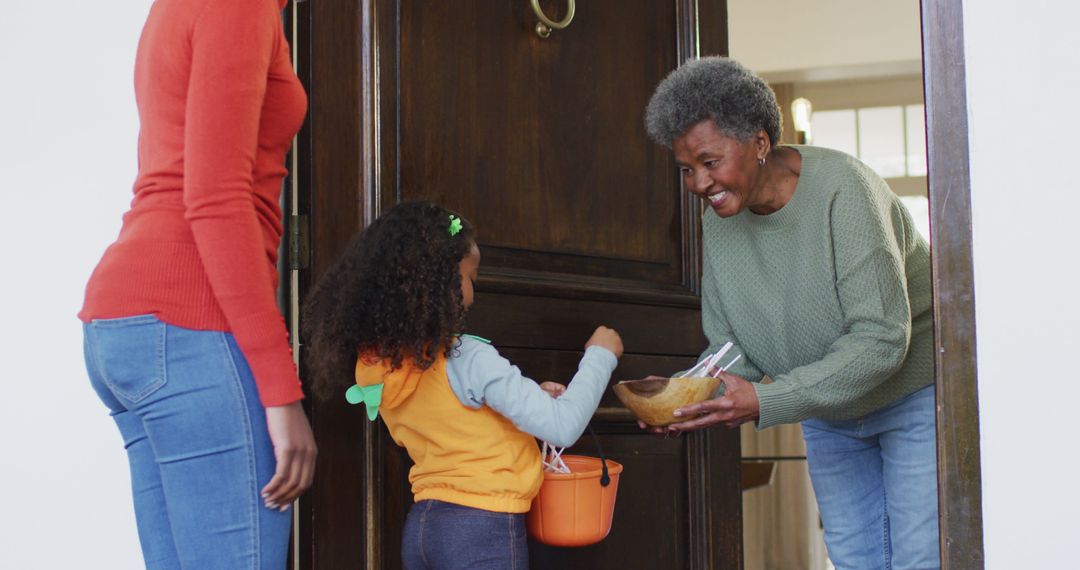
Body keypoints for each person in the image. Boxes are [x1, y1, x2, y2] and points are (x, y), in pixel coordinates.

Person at [642, 56, 938, 570]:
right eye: (687, 169)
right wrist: (686, 393)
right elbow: (731, 344)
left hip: (911, 398)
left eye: (711, 162)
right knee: (855, 560)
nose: (699, 183)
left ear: (760, 143)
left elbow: (881, 340)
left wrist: (767, 399)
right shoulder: (721, 219)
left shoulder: (845, 191)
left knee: (920, 558)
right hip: (827, 410)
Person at [79, 0, 316, 567]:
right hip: (187, 320)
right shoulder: (239, 6)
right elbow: (215, 200)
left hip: (128, 324)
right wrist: (281, 393)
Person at [301, 201, 622, 569]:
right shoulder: (465, 356)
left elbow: (457, 422)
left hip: (424, 529)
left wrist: (532, 396)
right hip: (482, 528)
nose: (472, 291)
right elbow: (563, 426)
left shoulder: (381, 368)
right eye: (471, 277)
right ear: (440, 281)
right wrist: (600, 356)